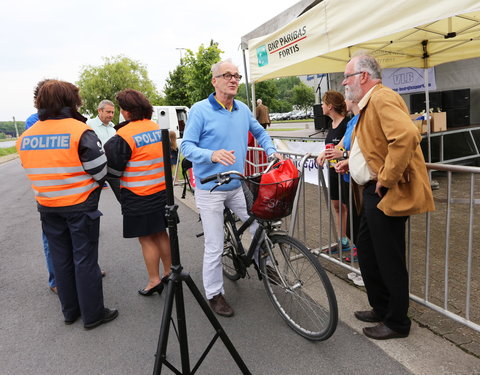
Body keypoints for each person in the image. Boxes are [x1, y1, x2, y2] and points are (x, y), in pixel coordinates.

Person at [335, 53, 435, 340]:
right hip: (373, 192)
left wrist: (387, 178)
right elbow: (372, 143)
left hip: (384, 191)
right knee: (367, 251)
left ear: (363, 77)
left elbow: (405, 136)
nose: (344, 82)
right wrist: (350, 160)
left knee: (388, 257)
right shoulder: (369, 103)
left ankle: (397, 322)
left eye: (348, 76)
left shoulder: (381, 97)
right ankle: (381, 307)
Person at [181, 59, 280, 317]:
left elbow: (260, 132)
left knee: (259, 225)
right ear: (215, 81)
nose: (234, 79)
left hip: (236, 183)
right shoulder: (200, 110)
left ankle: (263, 263)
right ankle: (214, 293)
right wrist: (211, 155)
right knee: (214, 245)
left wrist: (270, 150)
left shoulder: (243, 109)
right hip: (210, 188)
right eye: (228, 75)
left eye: (236, 75)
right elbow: (186, 146)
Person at [16, 79, 118, 329]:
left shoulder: (27, 136)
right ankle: (93, 315)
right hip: (80, 205)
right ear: (70, 101)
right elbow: (99, 170)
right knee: (84, 260)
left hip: (48, 208)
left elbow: (30, 167)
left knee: (61, 260)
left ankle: (70, 311)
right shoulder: (79, 130)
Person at [104, 89, 172, 297]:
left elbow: (112, 171)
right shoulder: (157, 128)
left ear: (125, 112)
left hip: (138, 195)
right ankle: (170, 272)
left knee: (146, 238)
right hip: (161, 191)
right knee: (161, 232)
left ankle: (154, 280)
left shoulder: (123, 136)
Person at [25, 89, 57, 294]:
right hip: (49, 193)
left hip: (72, 190)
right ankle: (56, 281)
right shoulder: (33, 122)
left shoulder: (66, 119)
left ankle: (85, 270)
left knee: (80, 238)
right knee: (52, 239)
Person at [316, 91, 350, 252]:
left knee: (347, 206)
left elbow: (343, 147)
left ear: (330, 106)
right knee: (336, 205)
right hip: (333, 171)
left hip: (345, 171)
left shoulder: (346, 124)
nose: (321, 106)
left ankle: (352, 241)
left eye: (323, 103)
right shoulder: (331, 125)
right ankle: (342, 240)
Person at [87, 100, 121, 202]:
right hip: (96, 169)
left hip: (112, 168)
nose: (111, 115)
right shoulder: (89, 124)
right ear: (99, 111)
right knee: (91, 201)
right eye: (108, 112)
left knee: (123, 198)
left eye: (113, 112)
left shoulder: (113, 127)